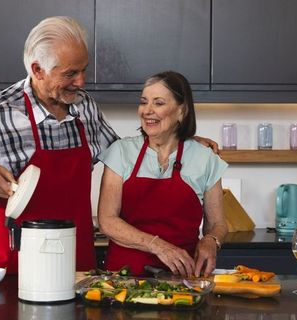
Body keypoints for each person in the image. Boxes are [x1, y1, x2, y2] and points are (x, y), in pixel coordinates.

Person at [0, 17, 218, 273]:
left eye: (83, 70)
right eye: (70, 73)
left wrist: (183, 140)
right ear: (38, 70)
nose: (81, 82)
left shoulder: (84, 106)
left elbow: (124, 153)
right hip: (17, 263)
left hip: (76, 263)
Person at [97, 71, 228, 278]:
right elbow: (107, 221)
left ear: (181, 111)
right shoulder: (121, 151)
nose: (147, 111)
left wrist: (212, 240)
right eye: (143, 102)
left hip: (182, 278)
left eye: (158, 103)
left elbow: (218, 224)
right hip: (125, 278)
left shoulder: (206, 158)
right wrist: (158, 246)